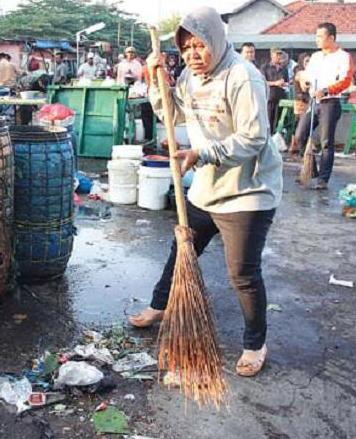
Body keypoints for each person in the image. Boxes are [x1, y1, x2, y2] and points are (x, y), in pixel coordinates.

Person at [128, 6, 283, 377]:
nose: (193, 55)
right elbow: (172, 115)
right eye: (186, 49)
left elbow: (254, 137)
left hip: (248, 190)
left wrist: (203, 153)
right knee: (182, 248)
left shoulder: (243, 77)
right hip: (207, 186)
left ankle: (255, 343)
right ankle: (160, 304)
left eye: (199, 46)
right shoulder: (189, 77)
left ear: (216, 39)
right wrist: (157, 82)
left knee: (242, 273)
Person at [295, 22, 353, 189]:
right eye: (316, 36)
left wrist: (327, 90)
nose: (317, 40)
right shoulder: (315, 57)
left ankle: (323, 179)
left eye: (320, 36)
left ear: (331, 38)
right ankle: (310, 169)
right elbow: (306, 75)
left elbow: (346, 80)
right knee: (300, 136)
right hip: (314, 101)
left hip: (330, 102)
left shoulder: (343, 57)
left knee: (326, 141)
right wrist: (303, 81)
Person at [261, 48, 289, 133]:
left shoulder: (284, 69)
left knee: (279, 121)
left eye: (280, 54)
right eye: (277, 54)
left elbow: (286, 81)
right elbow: (262, 82)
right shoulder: (265, 67)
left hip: (281, 98)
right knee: (269, 120)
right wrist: (275, 83)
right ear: (272, 55)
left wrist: (285, 84)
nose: (279, 56)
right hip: (269, 98)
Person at [289, 53, 311, 155]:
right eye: (306, 61)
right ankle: (294, 144)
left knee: (303, 123)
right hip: (301, 100)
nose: (308, 63)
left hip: (307, 100)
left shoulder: (309, 72)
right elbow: (303, 87)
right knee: (299, 122)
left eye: (309, 61)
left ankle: (298, 144)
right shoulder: (299, 72)